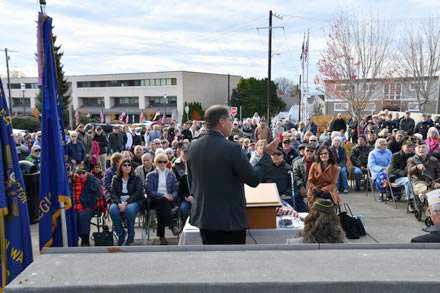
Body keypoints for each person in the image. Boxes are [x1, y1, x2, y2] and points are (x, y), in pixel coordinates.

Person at [187, 105, 274, 245]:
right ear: (222, 121)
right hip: (229, 221)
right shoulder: (232, 148)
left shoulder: (193, 146)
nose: (232, 123)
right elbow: (253, 180)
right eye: (230, 119)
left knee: (212, 262)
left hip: (205, 219)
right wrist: (265, 156)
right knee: (233, 264)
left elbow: (191, 180)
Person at [145, 153, 179, 245]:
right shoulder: (150, 175)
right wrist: (163, 195)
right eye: (160, 162)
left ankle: (162, 237)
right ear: (156, 163)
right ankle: (172, 225)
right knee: (162, 201)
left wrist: (173, 196)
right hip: (154, 200)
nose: (162, 164)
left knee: (162, 208)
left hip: (168, 201)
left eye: (164, 162)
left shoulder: (171, 174)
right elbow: (149, 191)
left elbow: (176, 189)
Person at [109, 159, 144, 246]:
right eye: (125, 165)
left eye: (129, 165)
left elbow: (138, 193)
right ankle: (121, 234)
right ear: (120, 167)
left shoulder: (136, 178)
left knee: (129, 210)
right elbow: (113, 193)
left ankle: (131, 235)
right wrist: (118, 203)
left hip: (133, 201)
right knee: (113, 209)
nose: (127, 167)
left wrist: (126, 202)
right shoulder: (115, 178)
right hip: (119, 201)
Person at [72, 168, 106, 246]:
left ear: (87, 172)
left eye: (83, 172)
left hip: (90, 206)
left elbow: (98, 196)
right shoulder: (71, 181)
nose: (81, 174)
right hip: (74, 206)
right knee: (72, 215)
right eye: (79, 173)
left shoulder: (93, 181)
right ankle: (74, 239)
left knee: (83, 215)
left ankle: (85, 239)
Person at [388, 139, 416, 210]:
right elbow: (392, 170)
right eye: (407, 146)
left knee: (411, 181)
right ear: (402, 147)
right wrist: (404, 172)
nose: (409, 148)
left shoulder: (414, 156)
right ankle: (411, 202)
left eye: (411, 147)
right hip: (397, 178)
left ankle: (419, 202)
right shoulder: (395, 156)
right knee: (407, 181)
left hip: (412, 177)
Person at [292, 144, 315, 212]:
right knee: (295, 197)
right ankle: (303, 212)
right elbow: (296, 175)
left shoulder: (318, 162)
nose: (309, 152)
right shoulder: (297, 162)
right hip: (302, 185)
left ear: (314, 152)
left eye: (311, 151)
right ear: (304, 151)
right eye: (307, 150)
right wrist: (301, 186)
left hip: (314, 185)